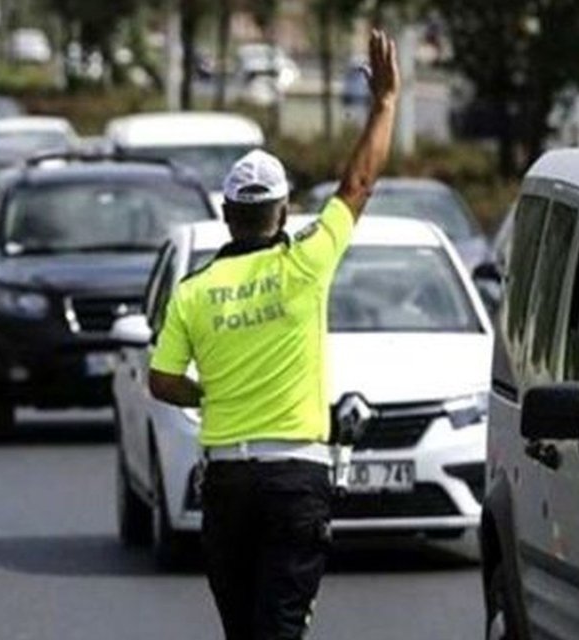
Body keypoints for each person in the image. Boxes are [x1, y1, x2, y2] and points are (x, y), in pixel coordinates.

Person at [147, 30, 400, 640]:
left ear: (228, 214)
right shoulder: (307, 262)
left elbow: (160, 380)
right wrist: (385, 104)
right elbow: (357, 185)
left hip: (228, 484)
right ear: (283, 212)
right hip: (296, 480)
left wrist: (208, 395)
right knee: (280, 628)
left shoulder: (194, 290)